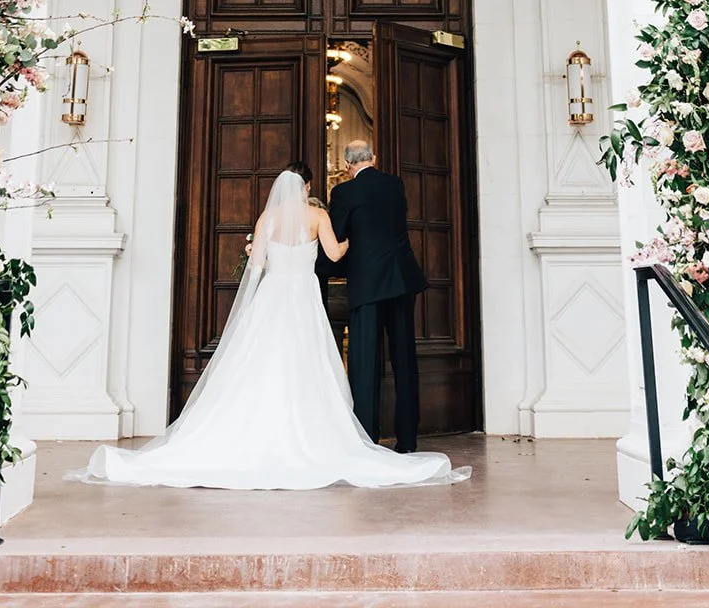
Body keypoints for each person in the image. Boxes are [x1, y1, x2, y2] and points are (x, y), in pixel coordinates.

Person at [72, 164, 468, 490]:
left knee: (260, 363)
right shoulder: (317, 216)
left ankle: (252, 433)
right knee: (307, 364)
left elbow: (257, 265)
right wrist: (359, 240)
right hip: (303, 299)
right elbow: (335, 252)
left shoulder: (265, 218)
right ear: (308, 187)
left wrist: (253, 249)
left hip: (272, 298)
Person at [328, 140, 427, 453]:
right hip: (401, 280)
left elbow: (338, 236)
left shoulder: (343, 193)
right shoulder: (395, 184)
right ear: (374, 157)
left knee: (365, 362)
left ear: (347, 166)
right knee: (404, 361)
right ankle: (408, 440)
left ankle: (367, 439)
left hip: (368, 284)